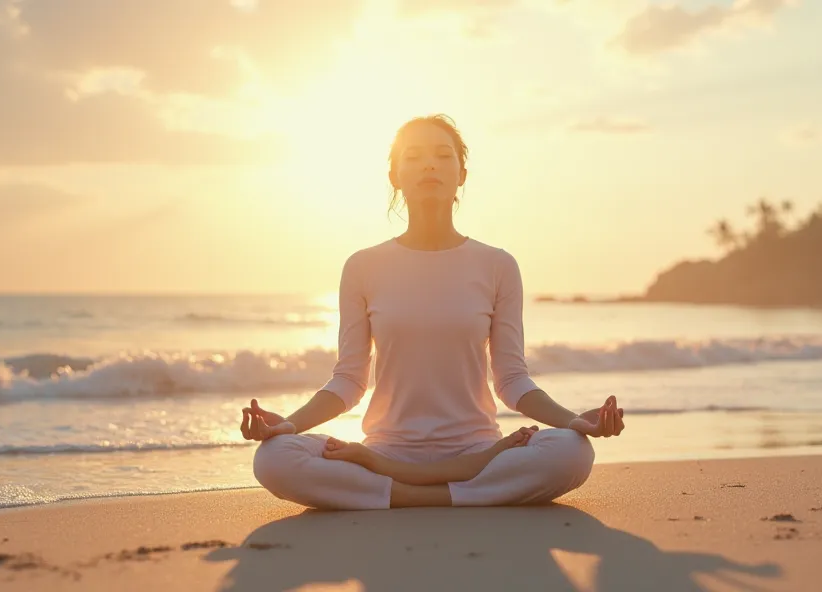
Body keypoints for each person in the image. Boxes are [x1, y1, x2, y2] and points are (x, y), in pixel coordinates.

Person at [240, 114, 625, 510]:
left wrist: (574, 421)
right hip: (387, 452)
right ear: (395, 175)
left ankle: (400, 496)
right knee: (274, 458)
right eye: (414, 157)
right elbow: (348, 381)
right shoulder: (363, 266)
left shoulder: (497, 265)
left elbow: (511, 379)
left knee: (573, 451)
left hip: (476, 448)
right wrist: (289, 425)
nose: (429, 165)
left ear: (461, 175)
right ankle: (452, 494)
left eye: (443, 156)